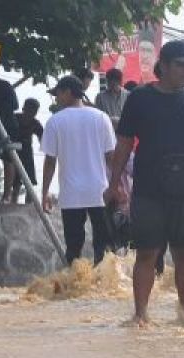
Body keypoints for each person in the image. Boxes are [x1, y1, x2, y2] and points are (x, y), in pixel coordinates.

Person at [106, 40, 184, 324]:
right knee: (146, 253)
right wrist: (114, 183)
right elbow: (124, 143)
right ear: (164, 66)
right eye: (181, 65)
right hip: (149, 190)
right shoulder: (140, 98)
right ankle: (140, 315)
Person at [40, 75, 116, 264]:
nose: (56, 98)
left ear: (67, 92)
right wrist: (116, 187)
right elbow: (111, 157)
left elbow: (50, 161)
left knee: (73, 247)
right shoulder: (101, 117)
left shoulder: (55, 121)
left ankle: (74, 286)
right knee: (105, 246)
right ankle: (104, 286)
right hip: (100, 191)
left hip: (71, 194)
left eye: (58, 93)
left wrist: (45, 192)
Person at [7, 98, 44, 205]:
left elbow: (43, 137)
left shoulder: (35, 123)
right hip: (14, 151)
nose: (30, 114)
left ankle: (29, 205)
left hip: (27, 152)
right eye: (29, 110)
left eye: (34, 111)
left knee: (30, 180)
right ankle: (13, 203)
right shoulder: (15, 118)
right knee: (16, 181)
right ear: (24, 109)